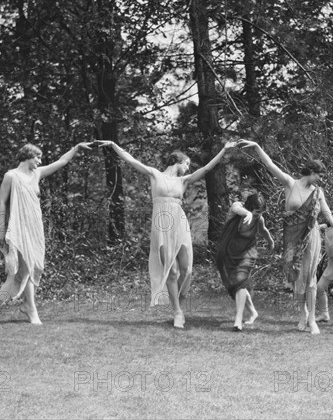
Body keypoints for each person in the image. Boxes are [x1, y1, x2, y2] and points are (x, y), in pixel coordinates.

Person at [98, 140, 237, 328]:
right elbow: (131, 161)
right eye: (187, 163)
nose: (188, 168)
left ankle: (177, 299)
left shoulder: (183, 181)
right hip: (161, 224)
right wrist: (114, 145)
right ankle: (177, 311)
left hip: (179, 222)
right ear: (178, 161)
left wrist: (223, 150)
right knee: (171, 270)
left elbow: (206, 169)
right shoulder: (155, 175)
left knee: (186, 269)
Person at [237, 139, 333, 334]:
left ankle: (311, 319)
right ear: (312, 172)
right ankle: (302, 313)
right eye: (319, 175)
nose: (320, 179)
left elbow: (328, 217)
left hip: (311, 235)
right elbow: (269, 165)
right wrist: (257, 146)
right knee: (297, 277)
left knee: (310, 277)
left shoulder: (318, 192)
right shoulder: (290, 183)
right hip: (292, 236)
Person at [0, 141, 93, 324]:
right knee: (27, 265)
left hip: (35, 226)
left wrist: (77, 147)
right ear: (27, 156)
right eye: (37, 157)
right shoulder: (11, 176)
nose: (40, 161)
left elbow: (61, 162)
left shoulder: (37, 174)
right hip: (19, 226)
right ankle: (31, 310)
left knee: (35, 264)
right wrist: (0, 230)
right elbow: (1, 202)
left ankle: (27, 305)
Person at [216, 193, 274, 331]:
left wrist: (270, 241)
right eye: (256, 212)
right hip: (230, 253)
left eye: (260, 213)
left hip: (248, 252)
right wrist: (246, 213)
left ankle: (238, 319)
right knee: (236, 285)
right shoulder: (236, 212)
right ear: (249, 207)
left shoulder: (259, 219)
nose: (258, 215)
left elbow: (264, 231)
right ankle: (253, 312)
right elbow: (235, 207)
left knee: (240, 281)